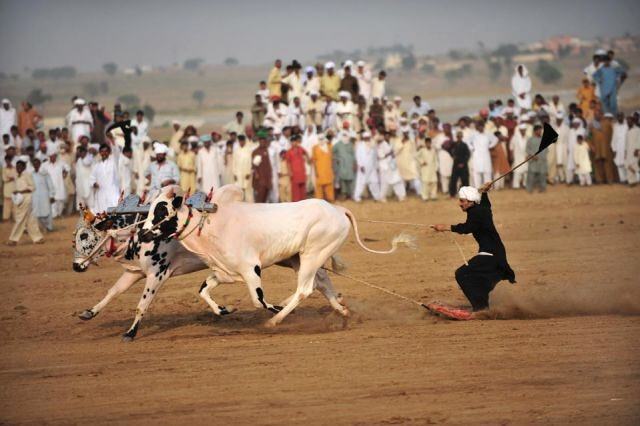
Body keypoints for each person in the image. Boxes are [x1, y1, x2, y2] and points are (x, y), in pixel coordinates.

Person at [431, 184, 515, 313]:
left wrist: (446, 227)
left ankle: (480, 308)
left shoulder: (476, 213)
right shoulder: (481, 209)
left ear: (470, 202)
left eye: (462, 201)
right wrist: (485, 192)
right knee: (474, 277)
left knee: (462, 274)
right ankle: (482, 305)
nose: (459, 204)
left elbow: (468, 228)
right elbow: (487, 205)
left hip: (490, 254)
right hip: (495, 253)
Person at [89, 142, 120, 214]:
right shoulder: (96, 165)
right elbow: (91, 178)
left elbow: (117, 153)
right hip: (100, 192)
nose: (104, 153)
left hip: (112, 191)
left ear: (109, 152)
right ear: (99, 152)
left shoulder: (113, 162)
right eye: (102, 151)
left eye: (106, 151)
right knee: (101, 212)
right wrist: (94, 183)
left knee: (114, 210)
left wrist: (113, 141)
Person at [377, 132, 406, 202]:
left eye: (388, 136)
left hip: (392, 166)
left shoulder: (392, 144)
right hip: (384, 166)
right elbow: (380, 156)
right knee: (385, 183)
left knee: (397, 180)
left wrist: (393, 154)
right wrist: (389, 153)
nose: (387, 137)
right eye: (386, 136)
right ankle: (382, 197)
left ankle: (401, 196)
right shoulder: (381, 145)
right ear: (384, 137)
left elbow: (394, 153)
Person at [41, 148, 69, 218]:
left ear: (56, 156)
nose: (53, 157)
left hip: (59, 185)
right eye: (51, 156)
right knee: (52, 202)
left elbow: (68, 168)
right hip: (49, 186)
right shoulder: (45, 165)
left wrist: (65, 173)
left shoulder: (61, 163)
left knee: (60, 201)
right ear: (49, 157)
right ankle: (54, 215)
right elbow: (40, 172)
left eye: (54, 156)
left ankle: (59, 214)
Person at [469, 122, 498, 187]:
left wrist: (490, 146)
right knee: (476, 172)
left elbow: (495, 139)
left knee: (487, 171)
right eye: (479, 126)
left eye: (482, 126)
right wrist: (472, 147)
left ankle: (488, 187)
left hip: (486, 154)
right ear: (477, 127)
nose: (480, 128)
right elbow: (467, 141)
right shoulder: (473, 134)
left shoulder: (488, 133)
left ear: (483, 127)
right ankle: (478, 187)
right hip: (477, 155)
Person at [353, 131, 380, 202]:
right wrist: (360, 165)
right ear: (363, 138)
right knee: (360, 183)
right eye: (365, 138)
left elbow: (375, 157)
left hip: (372, 167)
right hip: (363, 168)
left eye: (368, 138)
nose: (367, 139)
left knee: (374, 182)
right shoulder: (360, 145)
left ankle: (376, 197)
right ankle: (357, 197)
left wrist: (376, 166)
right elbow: (358, 156)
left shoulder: (373, 145)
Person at [31, 158, 54, 232]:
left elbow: (50, 184)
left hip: (45, 195)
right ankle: (40, 227)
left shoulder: (44, 173)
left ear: (40, 164)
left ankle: (49, 227)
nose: (36, 165)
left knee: (47, 211)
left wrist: (52, 195)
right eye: (34, 163)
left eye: (37, 163)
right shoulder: (31, 174)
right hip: (35, 196)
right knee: (37, 212)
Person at [332, 131, 356, 200]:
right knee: (343, 180)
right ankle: (344, 194)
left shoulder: (350, 144)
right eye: (344, 135)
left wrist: (354, 164)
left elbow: (353, 155)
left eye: (346, 135)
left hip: (350, 165)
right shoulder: (338, 144)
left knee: (350, 180)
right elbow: (332, 152)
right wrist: (336, 159)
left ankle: (351, 194)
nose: (345, 137)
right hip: (342, 165)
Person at [285, 134, 308, 202]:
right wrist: (289, 172)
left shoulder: (301, 149)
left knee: (303, 189)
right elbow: (288, 163)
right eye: (292, 141)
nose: (294, 143)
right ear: (291, 142)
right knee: (295, 190)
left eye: (295, 141)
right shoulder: (289, 151)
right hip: (294, 173)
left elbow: (306, 153)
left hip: (302, 172)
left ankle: (303, 202)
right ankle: (296, 203)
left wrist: (308, 159)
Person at [311, 134, 334, 202]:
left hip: (328, 169)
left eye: (322, 139)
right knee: (319, 185)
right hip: (319, 169)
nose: (321, 140)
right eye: (319, 139)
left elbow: (332, 158)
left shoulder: (330, 146)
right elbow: (314, 160)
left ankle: (330, 199)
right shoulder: (314, 148)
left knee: (329, 184)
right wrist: (315, 171)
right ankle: (319, 200)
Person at [232, 134, 254, 202]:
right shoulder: (236, 150)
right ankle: (239, 205)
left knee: (248, 190)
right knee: (238, 189)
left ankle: (250, 205)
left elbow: (251, 162)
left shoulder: (249, 150)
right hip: (238, 173)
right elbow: (234, 162)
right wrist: (234, 173)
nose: (241, 142)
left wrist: (249, 172)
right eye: (240, 141)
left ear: (245, 141)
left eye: (242, 141)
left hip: (247, 173)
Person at [251, 131, 272, 203]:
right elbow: (254, 165)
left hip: (267, 177)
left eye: (264, 141)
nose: (262, 142)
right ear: (259, 141)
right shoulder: (256, 151)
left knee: (266, 197)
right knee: (260, 198)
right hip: (260, 179)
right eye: (261, 141)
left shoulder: (268, 150)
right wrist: (256, 174)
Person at [525, 125, 547, 193]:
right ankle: (529, 189)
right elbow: (527, 149)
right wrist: (532, 155)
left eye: (541, 130)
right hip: (533, 160)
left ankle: (542, 189)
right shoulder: (530, 139)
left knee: (542, 175)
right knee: (531, 175)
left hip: (542, 160)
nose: (540, 131)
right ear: (535, 131)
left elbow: (546, 150)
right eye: (539, 130)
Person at [449, 131, 471, 197]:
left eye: (460, 136)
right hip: (456, 164)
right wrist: (452, 155)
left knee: (465, 180)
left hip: (463, 165)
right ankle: (452, 194)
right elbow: (449, 150)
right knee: (453, 180)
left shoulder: (464, 145)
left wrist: (463, 163)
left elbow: (468, 155)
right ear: (456, 137)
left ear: (462, 137)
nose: (459, 138)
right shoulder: (453, 144)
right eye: (458, 136)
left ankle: (466, 194)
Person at [510, 123, 529, 189]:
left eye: (524, 130)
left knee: (526, 171)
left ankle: (525, 184)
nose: (523, 131)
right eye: (522, 130)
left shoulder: (527, 137)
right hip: (517, 156)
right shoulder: (515, 137)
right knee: (517, 171)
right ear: (520, 130)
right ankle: (516, 185)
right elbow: (511, 147)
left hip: (525, 156)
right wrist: (511, 156)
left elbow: (529, 147)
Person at [75, 145, 94, 210]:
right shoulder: (79, 160)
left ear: (84, 152)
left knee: (90, 202)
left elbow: (86, 163)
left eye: (80, 152)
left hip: (88, 183)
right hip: (80, 184)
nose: (79, 154)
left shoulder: (89, 158)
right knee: (81, 202)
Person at [611, 113, 628, 182]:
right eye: (618, 117)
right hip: (618, 148)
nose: (619, 118)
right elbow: (614, 138)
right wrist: (614, 149)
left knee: (626, 164)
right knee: (619, 164)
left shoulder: (627, 125)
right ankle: (623, 179)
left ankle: (629, 178)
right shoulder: (615, 126)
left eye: (621, 116)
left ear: (623, 117)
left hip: (626, 147)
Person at [625, 115, 640, 186]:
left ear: (633, 122)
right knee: (628, 165)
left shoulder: (637, 129)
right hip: (628, 151)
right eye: (627, 121)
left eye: (629, 121)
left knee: (635, 165)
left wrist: (637, 149)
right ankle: (632, 181)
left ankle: (637, 179)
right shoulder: (627, 131)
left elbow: (639, 140)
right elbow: (626, 142)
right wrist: (625, 151)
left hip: (635, 151)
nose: (628, 123)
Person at [2, 154, 16, 221]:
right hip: (7, 188)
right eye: (6, 160)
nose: (8, 161)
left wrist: (9, 177)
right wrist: (10, 178)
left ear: (10, 160)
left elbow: (15, 177)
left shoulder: (14, 168)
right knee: (6, 204)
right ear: (5, 161)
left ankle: (14, 217)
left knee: (14, 204)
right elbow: (4, 179)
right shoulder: (4, 169)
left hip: (13, 188)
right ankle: (6, 218)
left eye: (9, 160)